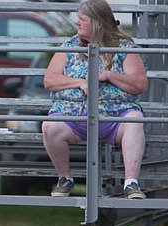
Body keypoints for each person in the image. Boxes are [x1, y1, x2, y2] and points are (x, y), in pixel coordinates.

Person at [42, 0, 148, 199]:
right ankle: (65, 178)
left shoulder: (124, 48)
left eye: (82, 19)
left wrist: (109, 76)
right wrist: (79, 83)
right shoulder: (69, 47)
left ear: (98, 22)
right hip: (73, 115)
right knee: (49, 126)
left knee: (134, 120)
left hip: (115, 116)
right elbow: (50, 80)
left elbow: (139, 84)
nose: (77, 23)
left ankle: (131, 183)